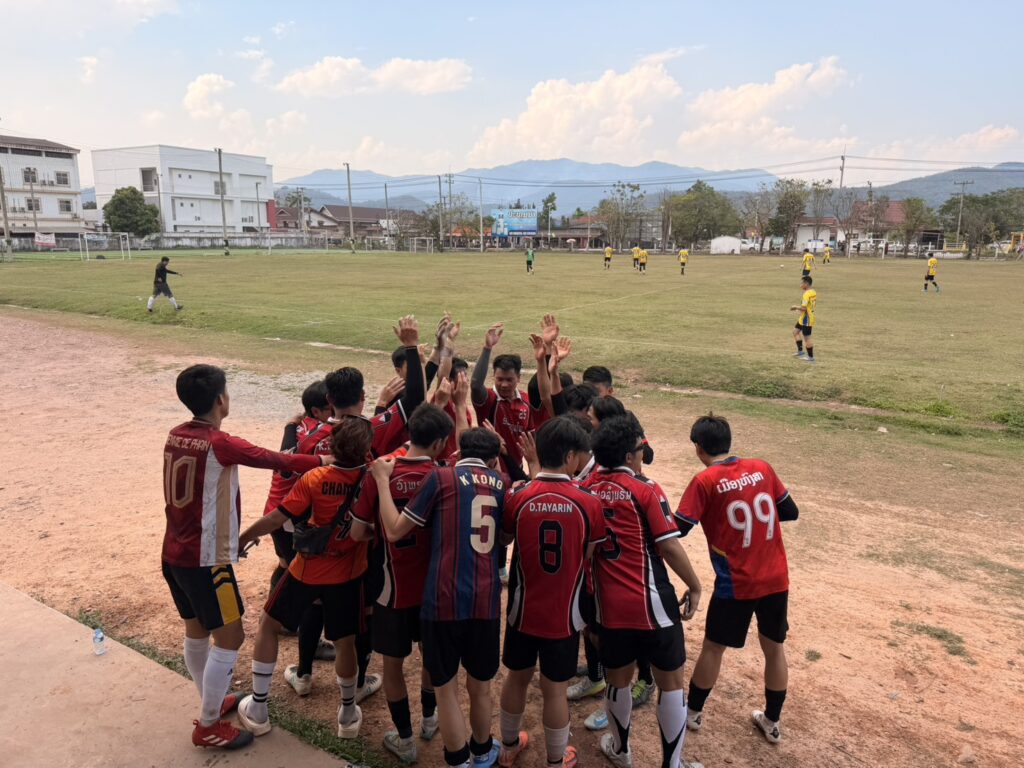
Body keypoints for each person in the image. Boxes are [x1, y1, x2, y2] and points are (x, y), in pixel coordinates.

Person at [161, 364, 328, 750]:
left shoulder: (175, 434)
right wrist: (322, 462)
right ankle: (207, 724)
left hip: (173, 553)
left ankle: (213, 701)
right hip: (205, 560)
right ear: (221, 400)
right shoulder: (219, 442)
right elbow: (276, 459)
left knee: (196, 632)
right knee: (231, 636)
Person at [370, 427, 510, 768]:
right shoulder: (502, 483)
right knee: (481, 687)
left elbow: (394, 530)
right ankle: (481, 753)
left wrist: (382, 481)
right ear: (493, 460)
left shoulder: (441, 477)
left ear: (458, 451)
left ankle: (458, 760)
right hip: (486, 599)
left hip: (443, 598)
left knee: (446, 688)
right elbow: (505, 538)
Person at [235, 417, 374, 740]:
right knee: (346, 642)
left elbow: (277, 517)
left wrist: (244, 538)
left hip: (306, 571)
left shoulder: (314, 478)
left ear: (333, 446)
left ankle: (258, 707)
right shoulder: (373, 480)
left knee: (268, 626)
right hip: (349, 575)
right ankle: (347, 714)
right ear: (366, 450)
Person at [582, 415, 702, 768]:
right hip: (653, 602)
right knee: (671, 683)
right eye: (640, 449)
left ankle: (621, 752)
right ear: (628, 455)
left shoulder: (584, 488)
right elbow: (669, 546)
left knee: (617, 680)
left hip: (608, 607)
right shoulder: (645, 488)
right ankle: (672, 764)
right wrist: (695, 585)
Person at [675, 414, 799, 745]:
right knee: (774, 648)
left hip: (736, 582)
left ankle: (693, 713)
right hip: (775, 578)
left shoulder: (705, 481)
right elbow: (790, 511)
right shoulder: (762, 468)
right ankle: (772, 721)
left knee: (714, 647)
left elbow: (680, 527)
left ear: (699, 448)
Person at [497, 418, 606, 768]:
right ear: (570, 456)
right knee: (555, 688)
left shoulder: (518, 495)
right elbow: (589, 553)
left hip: (522, 609)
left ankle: (508, 747)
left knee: (517, 677)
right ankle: (556, 760)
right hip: (564, 613)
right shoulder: (588, 501)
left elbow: (505, 538)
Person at [349, 404, 456, 762]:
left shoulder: (380, 473)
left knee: (392, 665)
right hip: (432, 590)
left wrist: (380, 531)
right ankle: (429, 719)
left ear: (410, 434)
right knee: (429, 657)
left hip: (390, 590)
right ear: (439, 443)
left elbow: (357, 531)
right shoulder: (443, 476)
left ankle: (406, 740)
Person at [790, 276, 817, 363]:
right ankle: (800, 351)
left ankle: (810, 357)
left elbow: (804, 308)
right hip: (804, 317)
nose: (800, 285)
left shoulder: (806, 294)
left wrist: (795, 307)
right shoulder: (813, 292)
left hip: (807, 318)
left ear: (806, 283)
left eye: (802, 283)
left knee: (807, 338)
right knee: (795, 331)